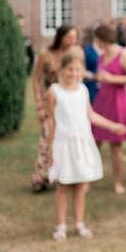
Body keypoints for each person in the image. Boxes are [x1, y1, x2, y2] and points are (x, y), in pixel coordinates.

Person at [46, 53, 126, 241]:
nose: (73, 73)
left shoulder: (83, 90)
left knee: (81, 186)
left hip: (83, 144)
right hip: (64, 145)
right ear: (62, 70)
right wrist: (51, 147)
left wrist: (113, 125)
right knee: (63, 185)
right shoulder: (54, 91)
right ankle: (60, 226)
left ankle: (79, 223)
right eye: (69, 69)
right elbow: (51, 121)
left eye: (77, 69)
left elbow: (91, 115)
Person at [90, 24, 126, 194]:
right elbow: (101, 75)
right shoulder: (101, 55)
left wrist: (113, 78)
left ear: (102, 39)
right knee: (94, 142)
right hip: (102, 99)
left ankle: (118, 182)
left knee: (115, 146)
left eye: (96, 39)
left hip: (118, 101)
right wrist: (99, 77)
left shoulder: (123, 54)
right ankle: (88, 178)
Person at [32, 24, 81, 192]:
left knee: (68, 139)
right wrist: (39, 103)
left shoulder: (76, 54)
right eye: (69, 36)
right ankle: (41, 177)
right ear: (61, 37)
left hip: (69, 103)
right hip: (50, 102)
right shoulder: (46, 55)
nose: (72, 40)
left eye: (75, 37)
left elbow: (79, 78)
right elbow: (37, 80)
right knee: (47, 138)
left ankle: (66, 175)